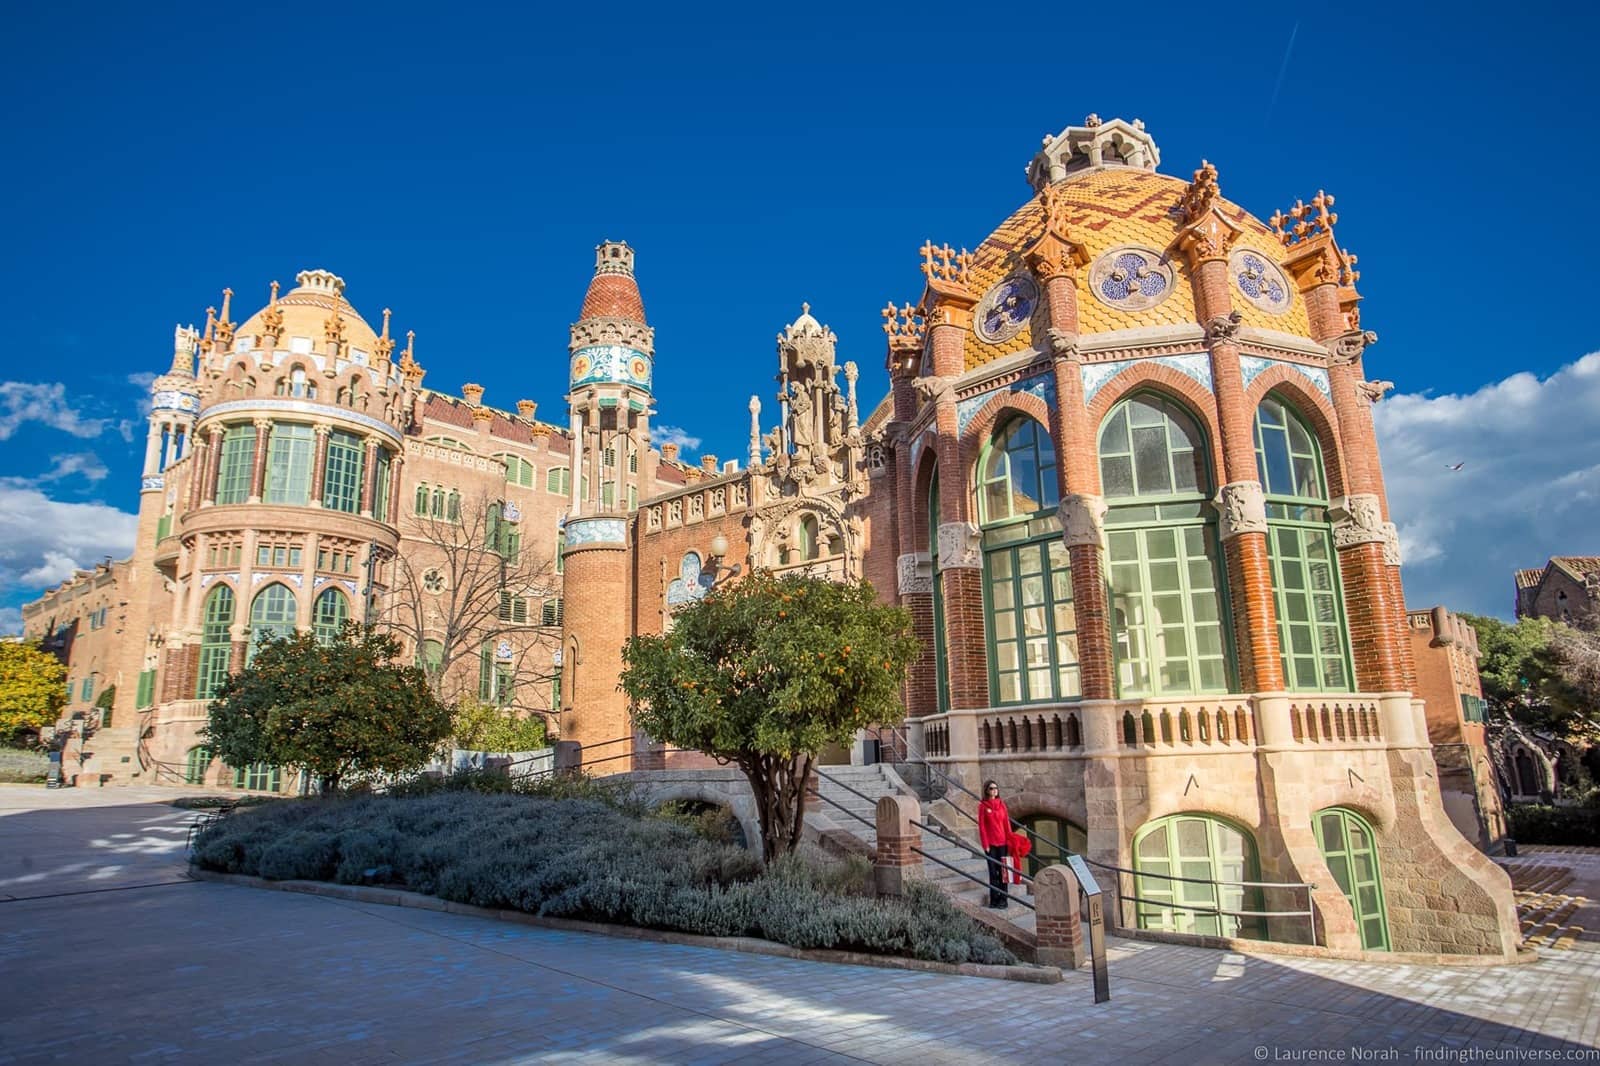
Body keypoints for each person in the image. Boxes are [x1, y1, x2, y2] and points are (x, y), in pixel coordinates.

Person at [977, 780, 1011, 909]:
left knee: (1003, 872)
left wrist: (1009, 841)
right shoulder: (983, 806)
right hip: (990, 845)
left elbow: (1006, 824)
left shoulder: (1002, 805)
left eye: (996, 788)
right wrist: (985, 844)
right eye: (991, 788)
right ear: (986, 790)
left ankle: (1004, 899)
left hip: (1003, 844)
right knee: (993, 872)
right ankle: (994, 899)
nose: (994, 790)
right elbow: (982, 827)